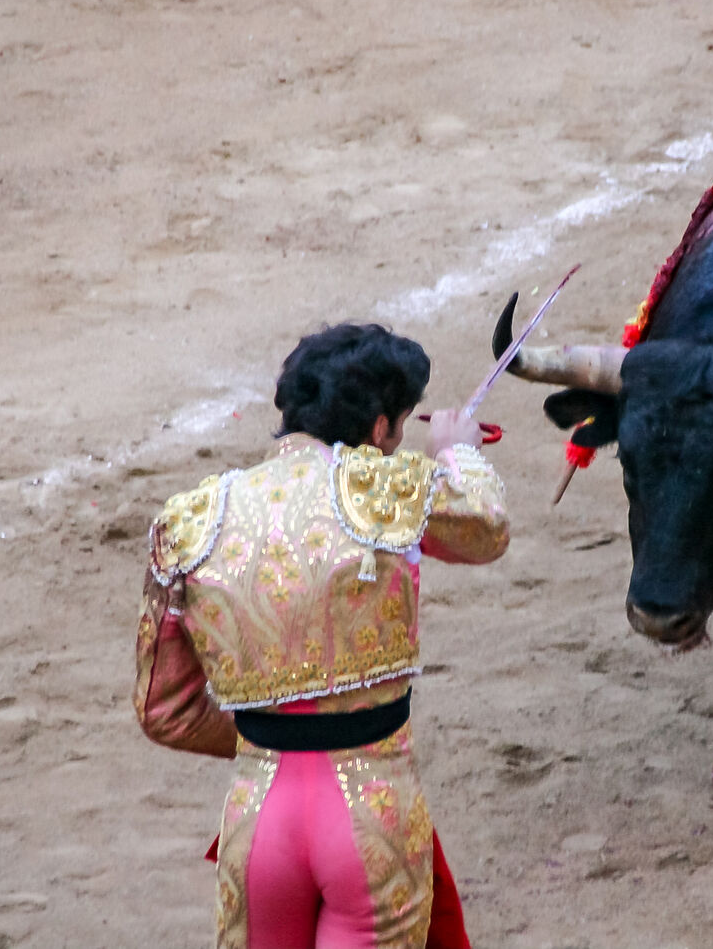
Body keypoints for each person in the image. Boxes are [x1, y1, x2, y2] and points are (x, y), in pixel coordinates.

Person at [135, 323, 510, 949]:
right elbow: (487, 526)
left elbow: (162, 710)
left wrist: (273, 739)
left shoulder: (191, 520)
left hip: (259, 820)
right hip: (372, 814)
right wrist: (457, 452)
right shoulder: (385, 490)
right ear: (380, 429)